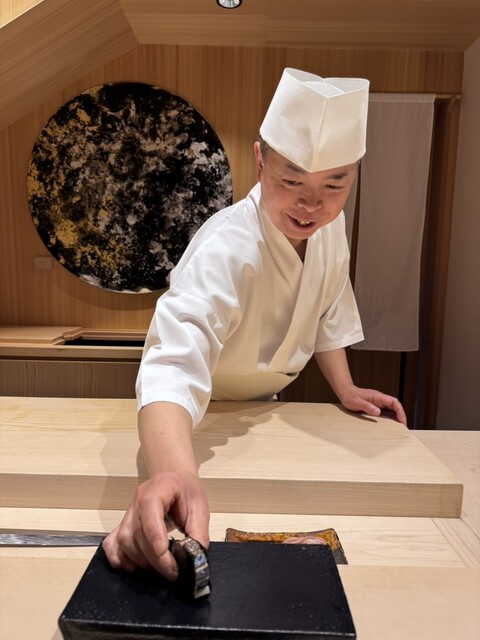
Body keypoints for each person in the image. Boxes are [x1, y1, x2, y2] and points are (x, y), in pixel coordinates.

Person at [103, 68, 406, 580]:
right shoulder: (226, 245)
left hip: (266, 413)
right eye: (291, 180)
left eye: (334, 184)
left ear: (354, 176)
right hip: (196, 417)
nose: (311, 204)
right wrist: (175, 472)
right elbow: (173, 364)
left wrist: (346, 388)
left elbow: (324, 306)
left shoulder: (330, 227)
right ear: (260, 161)